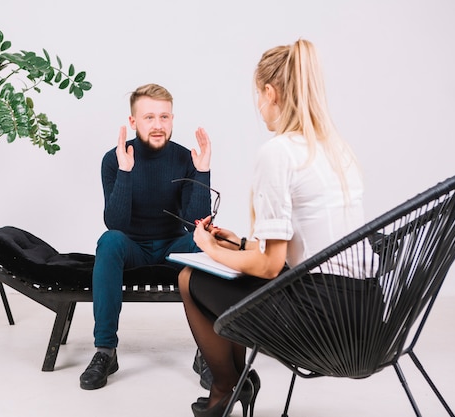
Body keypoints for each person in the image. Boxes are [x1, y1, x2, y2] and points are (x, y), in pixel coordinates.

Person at [178, 39, 365, 417]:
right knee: (233, 259)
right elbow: (307, 246)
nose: (259, 107)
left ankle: (225, 387)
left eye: (258, 97)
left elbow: (268, 267)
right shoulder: (335, 147)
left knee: (189, 278)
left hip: (321, 322)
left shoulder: (278, 152)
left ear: (270, 92)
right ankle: (234, 385)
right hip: (364, 315)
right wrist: (238, 242)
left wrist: (207, 247)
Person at [79, 83, 212, 390]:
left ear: (172, 119)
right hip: (132, 247)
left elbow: (197, 225)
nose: (157, 125)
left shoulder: (183, 158)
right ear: (133, 121)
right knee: (109, 240)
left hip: (172, 246)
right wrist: (126, 172)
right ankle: (105, 351)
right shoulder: (113, 160)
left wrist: (202, 171)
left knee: (203, 241)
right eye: (149, 117)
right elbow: (115, 222)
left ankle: (207, 352)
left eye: (164, 117)